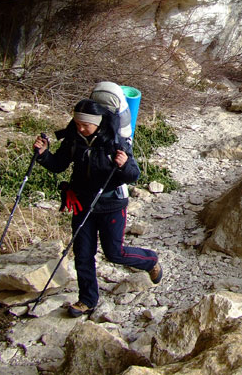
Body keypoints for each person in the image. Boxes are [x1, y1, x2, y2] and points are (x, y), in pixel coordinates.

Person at [33, 99, 162, 317]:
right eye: (77, 122)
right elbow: (58, 165)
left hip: (111, 204)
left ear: (98, 123)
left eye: (85, 124)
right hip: (82, 203)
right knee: (83, 253)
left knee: (115, 253)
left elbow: (133, 175)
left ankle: (150, 260)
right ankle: (87, 300)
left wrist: (124, 165)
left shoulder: (115, 140)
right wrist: (44, 154)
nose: (80, 127)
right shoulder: (74, 139)